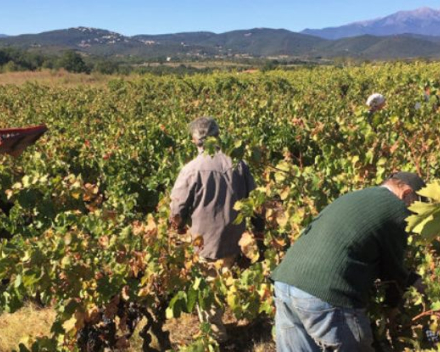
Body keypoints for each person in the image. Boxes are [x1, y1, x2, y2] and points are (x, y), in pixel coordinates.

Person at [271, 172, 426, 352]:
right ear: (406, 194)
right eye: (418, 205)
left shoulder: (358, 196)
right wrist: (393, 308)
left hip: (286, 282)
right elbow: (393, 271)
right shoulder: (397, 209)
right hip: (326, 294)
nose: (416, 214)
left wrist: (411, 279)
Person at [169, 116, 257, 342]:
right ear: (218, 136)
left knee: (209, 292)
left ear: (194, 140)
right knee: (231, 283)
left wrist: (178, 229)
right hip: (237, 241)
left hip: (206, 244)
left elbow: (177, 211)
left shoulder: (191, 169)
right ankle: (244, 319)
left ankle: (217, 337)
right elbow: (255, 201)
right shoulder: (239, 164)